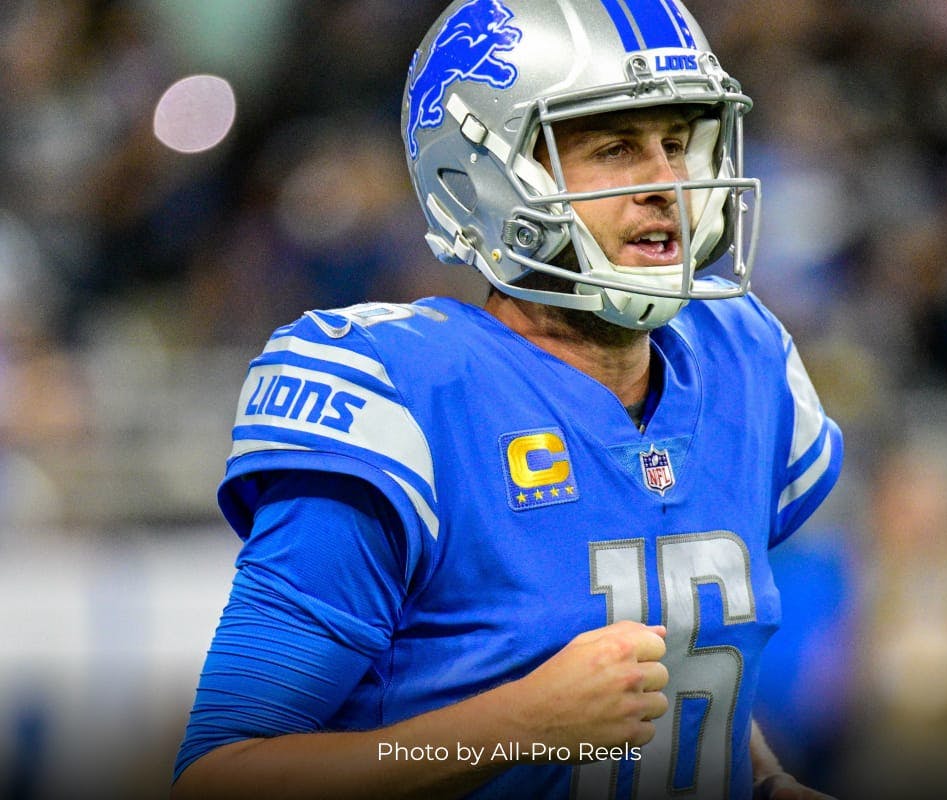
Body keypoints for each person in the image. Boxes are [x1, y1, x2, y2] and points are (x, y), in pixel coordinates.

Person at [171, 1, 843, 798]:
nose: (667, 185)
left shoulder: (743, 360)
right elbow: (223, 775)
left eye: (677, 143)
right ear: (483, 180)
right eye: (616, 148)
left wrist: (763, 783)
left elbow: (681, 663)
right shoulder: (407, 398)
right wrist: (517, 724)